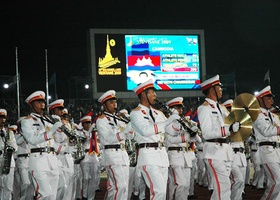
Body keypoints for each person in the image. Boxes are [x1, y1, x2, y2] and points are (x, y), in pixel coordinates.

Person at [130, 79, 180, 200]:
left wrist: (176, 121)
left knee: (162, 193)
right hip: (148, 155)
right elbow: (146, 130)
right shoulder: (135, 113)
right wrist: (168, 120)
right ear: (143, 94)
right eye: (152, 92)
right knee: (158, 193)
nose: (155, 95)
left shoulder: (158, 113)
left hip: (161, 156)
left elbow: (171, 132)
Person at [197, 75, 241, 199]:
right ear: (212, 90)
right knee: (224, 185)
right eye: (219, 87)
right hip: (214, 151)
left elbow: (232, 124)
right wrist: (229, 129)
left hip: (225, 151)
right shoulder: (204, 109)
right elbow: (206, 133)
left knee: (221, 187)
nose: (221, 90)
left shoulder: (222, 108)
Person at [21, 91, 62, 199]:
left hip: (52, 160)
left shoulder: (49, 120)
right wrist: (50, 132)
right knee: (45, 194)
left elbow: (57, 140)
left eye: (43, 102)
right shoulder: (26, 121)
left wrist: (61, 130)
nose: (42, 105)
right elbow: (32, 139)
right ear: (31, 105)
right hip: (38, 161)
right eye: (38, 102)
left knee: (53, 196)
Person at [95, 90, 134, 200]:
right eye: (111, 102)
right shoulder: (101, 120)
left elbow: (129, 137)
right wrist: (125, 131)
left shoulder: (118, 118)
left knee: (120, 187)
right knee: (119, 186)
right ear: (104, 105)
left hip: (122, 154)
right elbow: (109, 139)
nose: (114, 104)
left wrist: (131, 130)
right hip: (111, 155)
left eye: (115, 102)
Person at [164, 97, 196, 199]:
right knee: (178, 184)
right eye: (177, 108)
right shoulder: (167, 122)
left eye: (181, 108)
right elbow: (171, 138)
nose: (180, 110)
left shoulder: (183, 121)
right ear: (171, 110)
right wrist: (186, 136)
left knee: (186, 185)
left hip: (185, 156)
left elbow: (195, 138)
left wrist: (194, 132)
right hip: (174, 155)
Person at [253, 85, 280, 199]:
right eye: (268, 98)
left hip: (276, 150)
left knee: (276, 182)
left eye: (271, 98)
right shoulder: (257, 115)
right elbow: (266, 131)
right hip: (266, 151)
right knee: (276, 181)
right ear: (261, 100)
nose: (271, 101)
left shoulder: (273, 116)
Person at [49, 99, 75, 200]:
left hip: (67, 158)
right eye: (58, 109)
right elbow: (52, 141)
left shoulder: (65, 124)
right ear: (53, 110)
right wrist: (65, 149)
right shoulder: (50, 123)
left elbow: (68, 139)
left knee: (69, 185)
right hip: (56, 157)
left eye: (61, 109)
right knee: (60, 186)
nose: (61, 111)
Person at [222, 99, 247, 199]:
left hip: (241, 155)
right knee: (238, 180)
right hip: (231, 154)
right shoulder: (225, 124)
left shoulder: (238, 122)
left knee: (242, 182)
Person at [78, 115, 100, 200]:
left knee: (94, 178)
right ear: (82, 124)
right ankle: (84, 195)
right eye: (86, 123)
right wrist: (91, 130)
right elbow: (84, 138)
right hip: (85, 155)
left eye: (89, 123)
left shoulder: (94, 133)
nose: (88, 125)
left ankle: (91, 197)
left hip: (94, 155)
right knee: (86, 178)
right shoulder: (79, 132)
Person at [0, 109, 17, 200]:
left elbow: (15, 147)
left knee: (8, 187)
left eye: (3, 118)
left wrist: (10, 147)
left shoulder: (9, 132)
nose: (2, 120)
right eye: (0, 118)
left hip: (8, 161)